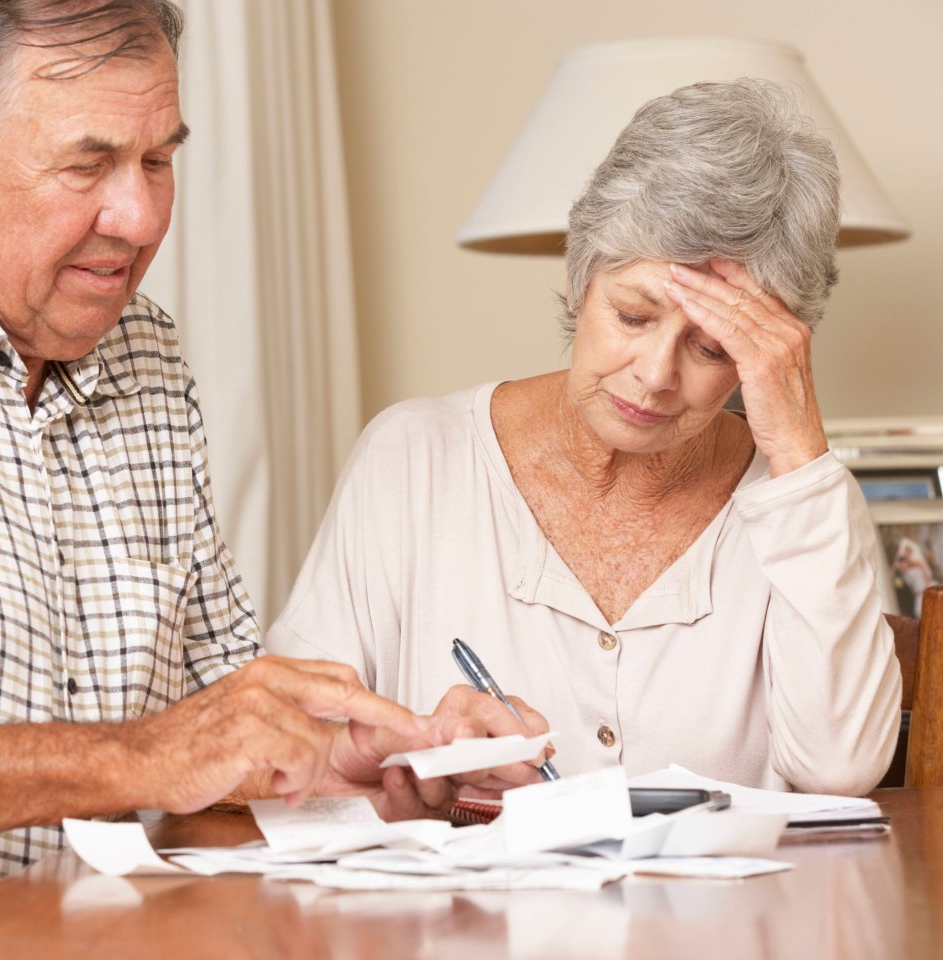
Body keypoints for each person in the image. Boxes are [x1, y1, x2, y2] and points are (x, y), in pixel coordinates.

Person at [0, 2, 536, 956]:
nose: (141, 217)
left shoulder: (141, 350)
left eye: (158, 160)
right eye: (87, 165)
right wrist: (137, 759)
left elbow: (207, 738)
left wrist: (342, 757)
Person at [268, 79, 903, 797]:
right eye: (632, 317)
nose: (655, 375)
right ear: (580, 279)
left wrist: (795, 450)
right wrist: (405, 757)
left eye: (714, 349)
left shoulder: (803, 500)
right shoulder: (413, 460)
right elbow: (287, 745)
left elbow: (841, 771)